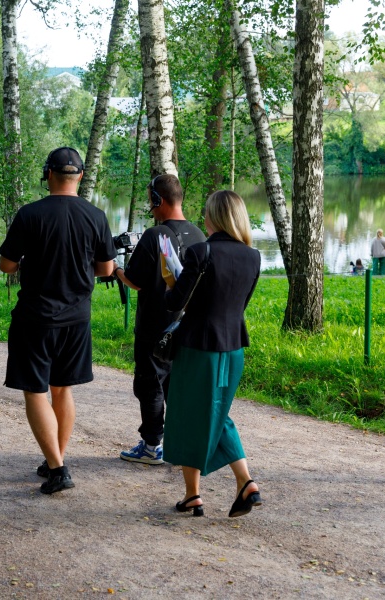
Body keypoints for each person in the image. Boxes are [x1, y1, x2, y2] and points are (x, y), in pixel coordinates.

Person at [0, 147, 117, 495]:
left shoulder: (30, 214)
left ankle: (58, 467)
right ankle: (56, 460)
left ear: (48, 174)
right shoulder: (96, 216)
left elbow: (6, 265)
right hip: (77, 318)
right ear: (79, 177)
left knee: (35, 390)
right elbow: (107, 269)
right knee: (62, 389)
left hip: (35, 317)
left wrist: (28, 264)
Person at [163, 190, 262, 518]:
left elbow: (176, 303)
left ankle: (243, 482)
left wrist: (169, 279)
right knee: (215, 414)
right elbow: (238, 305)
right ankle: (195, 495)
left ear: (215, 218)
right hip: (232, 348)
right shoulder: (254, 257)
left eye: (206, 213)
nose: (203, 218)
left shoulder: (200, 252)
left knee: (191, 414)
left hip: (199, 348)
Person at [113, 174, 205, 465]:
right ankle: (179, 441)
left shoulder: (155, 236)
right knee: (176, 385)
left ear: (157, 200)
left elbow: (135, 281)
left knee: (150, 384)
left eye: (150, 201)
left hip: (155, 324)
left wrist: (115, 270)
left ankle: (152, 445)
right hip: (187, 324)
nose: (150, 208)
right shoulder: (200, 235)